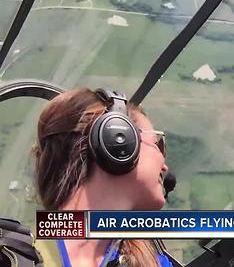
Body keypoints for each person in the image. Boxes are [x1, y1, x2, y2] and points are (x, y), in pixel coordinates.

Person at [32, 88, 173, 267]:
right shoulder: (14, 256)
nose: (165, 166)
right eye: (158, 144)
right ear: (116, 140)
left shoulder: (155, 263)